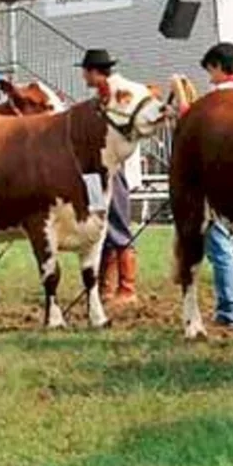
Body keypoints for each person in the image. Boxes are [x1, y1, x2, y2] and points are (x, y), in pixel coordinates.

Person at [196, 42, 233, 330]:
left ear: (219, 66)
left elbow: (194, 132)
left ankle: (232, 312)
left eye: (211, 70)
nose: (210, 78)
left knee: (220, 248)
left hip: (221, 184)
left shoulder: (216, 101)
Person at [76, 49, 138, 306]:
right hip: (93, 170)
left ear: (92, 71)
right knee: (100, 222)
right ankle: (106, 285)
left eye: (84, 71)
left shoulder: (117, 97)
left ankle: (126, 287)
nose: (83, 76)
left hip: (111, 168)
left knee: (118, 223)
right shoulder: (102, 98)